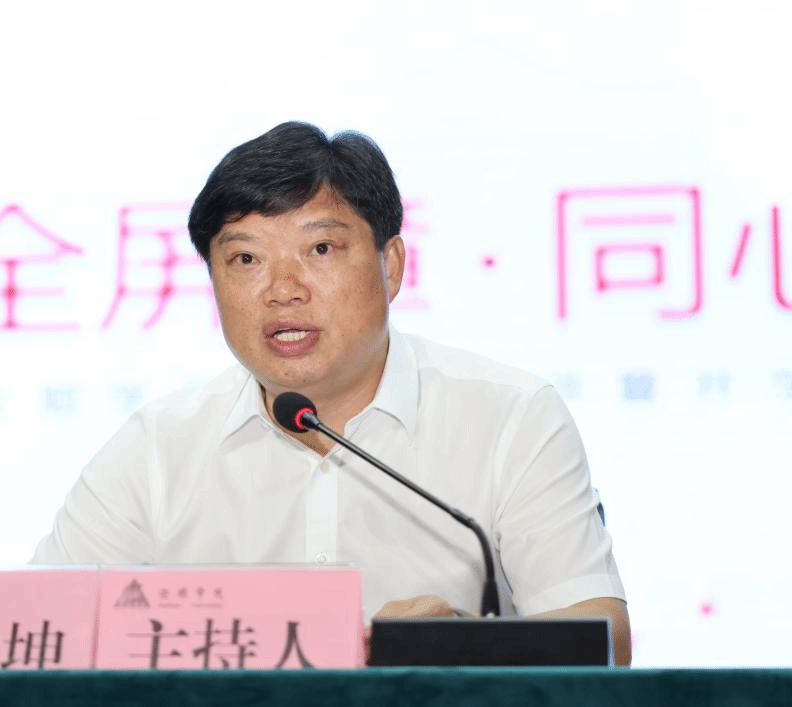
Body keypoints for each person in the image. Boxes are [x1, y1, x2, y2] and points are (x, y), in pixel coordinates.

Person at [31, 121, 630, 664]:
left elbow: (601, 638)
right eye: (245, 258)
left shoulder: (509, 416)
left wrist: (458, 645)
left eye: (320, 249)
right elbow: (34, 634)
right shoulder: (158, 448)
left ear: (390, 265)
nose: (282, 289)